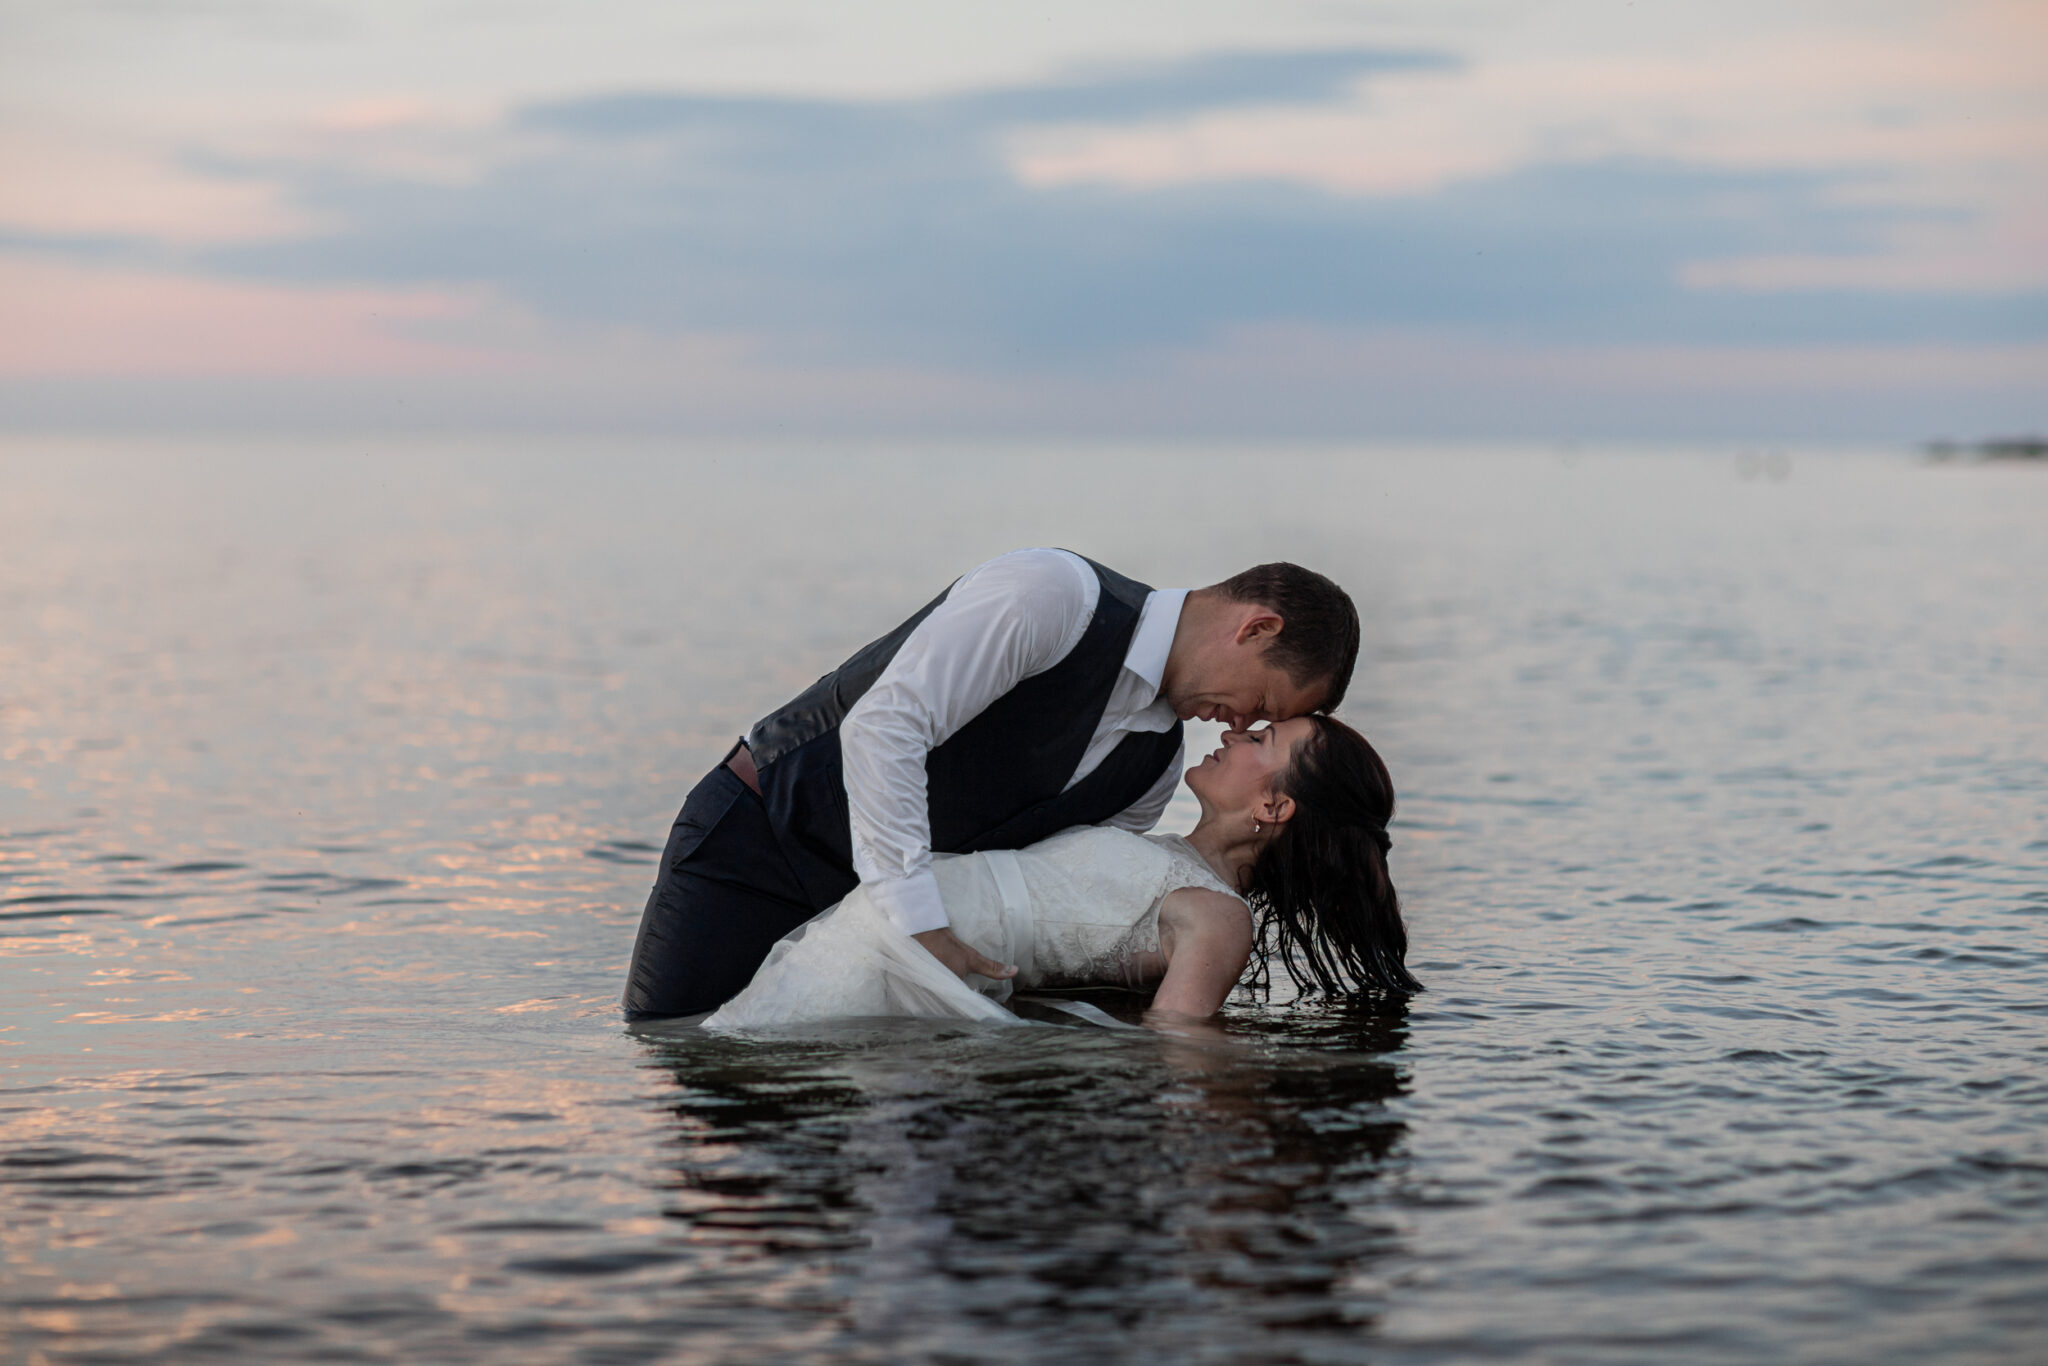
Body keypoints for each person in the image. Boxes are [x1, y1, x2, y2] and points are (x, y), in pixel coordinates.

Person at [622, 549, 1360, 1019]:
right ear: (1257, 629)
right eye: (1261, 705)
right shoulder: (1055, 597)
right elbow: (884, 727)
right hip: (762, 841)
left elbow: (1053, 888)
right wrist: (917, 924)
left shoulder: (1155, 766)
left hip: (884, 930)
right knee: (681, 1071)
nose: (1234, 729)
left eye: (1260, 727)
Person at [702, 713, 1419, 1029]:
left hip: (903, 969)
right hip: (887, 938)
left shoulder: (1218, 917)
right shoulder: (1168, 853)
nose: (1233, 732)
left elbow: (1179, 1038)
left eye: (1261, 739)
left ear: (1273, 804)